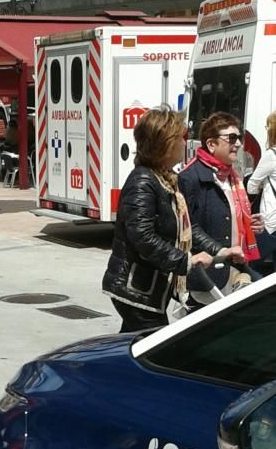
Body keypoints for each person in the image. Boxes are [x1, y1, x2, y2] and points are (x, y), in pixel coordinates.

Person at [102, 107, 238, 333]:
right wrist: (186, 261)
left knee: (133, 346)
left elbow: (188, 227)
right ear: (163, 145)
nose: (184, 144)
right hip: (136, 289)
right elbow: (142, 237)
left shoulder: (166, 180)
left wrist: (220, 251)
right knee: (152, 347)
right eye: (179, 139)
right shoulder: (143, 181)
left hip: (151, 288)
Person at [178, 112, 262, 308]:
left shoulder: (232, 176)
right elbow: (188, 228)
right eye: (231, 138)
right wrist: (221, 250)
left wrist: (250, 224)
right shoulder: (191, 177)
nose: (239, 143)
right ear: (211, 144)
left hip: (235, 267)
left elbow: (229, 216)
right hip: (208, 274)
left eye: (239, 137)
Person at [246, 110, 276, 273]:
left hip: (270, 222)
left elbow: (251, 186)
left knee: (253, 267)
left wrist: (263, 186)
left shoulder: (272, 155)